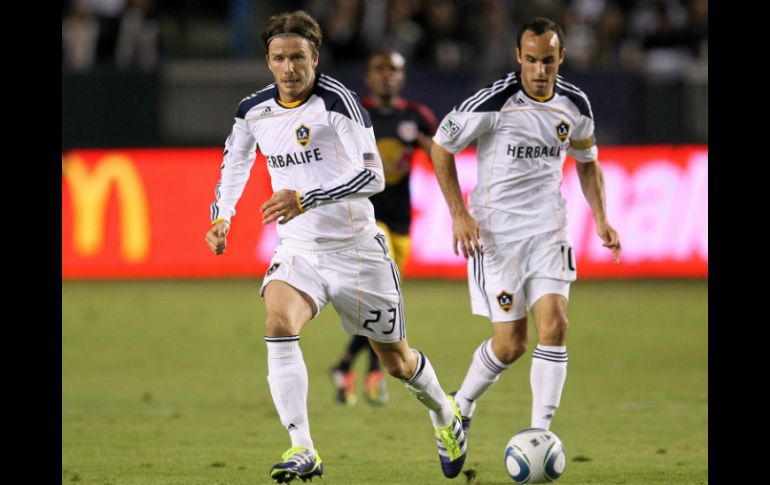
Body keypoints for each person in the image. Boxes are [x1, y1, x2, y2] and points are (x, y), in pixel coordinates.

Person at [204, 11, 466, 483]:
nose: (289, 68)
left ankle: (446, 416)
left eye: (298, 58)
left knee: (396, 361)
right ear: (268, 61)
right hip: (299, 248)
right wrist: (222, 216)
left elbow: (372, 175)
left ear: (314, 57)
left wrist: (305, 197)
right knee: (278, 321)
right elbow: (235, 163)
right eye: (279, 58)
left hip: (358, 250)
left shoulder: (339, 102)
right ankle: (302, 447)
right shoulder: (253, 111)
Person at [430, 17, 621, 441]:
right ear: (518, 56)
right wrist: (459, 213)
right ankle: (459, 406)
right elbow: (441, 146)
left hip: (549, 230)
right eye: (531, 60)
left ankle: (540, 434)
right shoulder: (494, 102)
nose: (539, 70)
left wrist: (602, 217)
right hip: (496, 236)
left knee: (556, 325)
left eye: (548, 61)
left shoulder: (575, 105)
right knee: (511, 344)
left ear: (562, 58)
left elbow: (587, 163)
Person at [329, 50, 436, 407]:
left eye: (393, 70)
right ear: (368, 76)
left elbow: (439, 156)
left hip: (401, 219)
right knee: (382, 292)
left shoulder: (416, 117)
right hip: (364, 219)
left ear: (402, 77)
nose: (387, 76)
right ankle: (373, 371)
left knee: (383, 302)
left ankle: (347, 365)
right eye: (379, 69)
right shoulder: (356, 115)